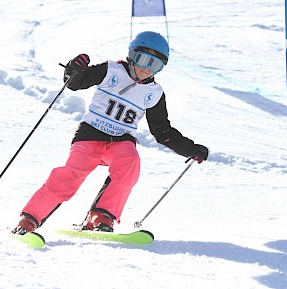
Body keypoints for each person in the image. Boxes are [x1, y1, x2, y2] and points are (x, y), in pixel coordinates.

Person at [12, 31, 208, 234]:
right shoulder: (111, 70)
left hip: (121, 141)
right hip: (91, 134)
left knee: (130, 162)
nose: (147, 69)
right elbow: (75, 83)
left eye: (156, 65)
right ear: (132, 54)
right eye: (144, 60)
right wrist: (74, 70)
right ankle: (29, 219)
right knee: (72, 173)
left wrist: (190, 149)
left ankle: (101, 216)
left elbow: (162, 131)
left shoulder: (154, 93)